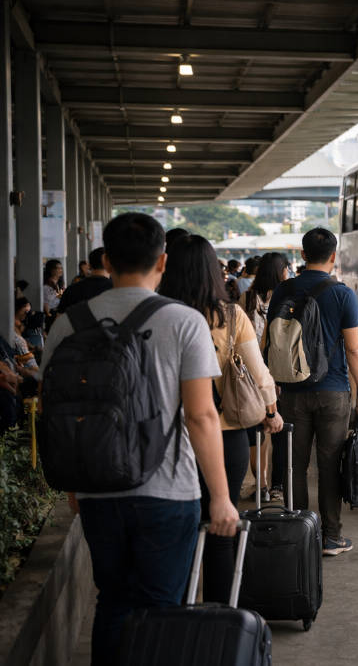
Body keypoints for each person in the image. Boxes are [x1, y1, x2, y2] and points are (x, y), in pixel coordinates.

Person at [40, 212, 238, 666]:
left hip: (97, 489)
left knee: (112, 600)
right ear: (162, 261)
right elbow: (202, 415)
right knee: (161, 607)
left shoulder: (68, 324)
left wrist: (75, 487)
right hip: (168, 493)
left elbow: (58, 412)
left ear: (106, 260)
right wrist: (222, 497)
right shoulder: (184, 321)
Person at [159, 235, 281, 602]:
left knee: (174, 533)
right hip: (224, 435)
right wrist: (271, 410)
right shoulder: (230, 314)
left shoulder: (158, 314)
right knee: (220, 527)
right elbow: (258, 373)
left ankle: (173, 616)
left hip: (167, 438)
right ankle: (218, 620)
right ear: (214, 270)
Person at [266, 228, 358, 556]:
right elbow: (354, 349)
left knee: (294, 464)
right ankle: (331, 536)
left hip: (291, 390)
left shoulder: (283, 290)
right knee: (329, 463)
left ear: (302, 254)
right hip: (333, 391)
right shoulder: (342, 293)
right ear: (334, 257)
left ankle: (300, 533)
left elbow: (272, 340)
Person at [242, 251, 290, 501]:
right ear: (280, 271)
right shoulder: (287, 297)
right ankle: (276, 486)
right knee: (278, 430)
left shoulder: (246, 297)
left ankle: (261, 484)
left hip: (250, 373)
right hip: (277, 371)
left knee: (256, 432)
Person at [57, 248, 113, 314]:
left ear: (89, 265)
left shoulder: (71, 290)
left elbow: (59, 319)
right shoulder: (116, 290)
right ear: (109, 264)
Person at [42, 259, 64, 326]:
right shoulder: (46, 285)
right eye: (58, 268)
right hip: (51, 314)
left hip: (59, 313)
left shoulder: (59, 284)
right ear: (51, 270)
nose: (60, 270)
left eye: (61, 268)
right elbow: (48, 301)